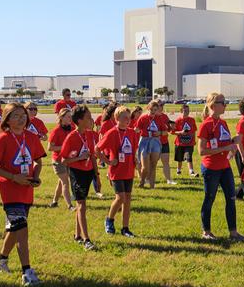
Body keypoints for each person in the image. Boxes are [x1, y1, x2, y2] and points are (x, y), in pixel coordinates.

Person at [0, 103, 45, 285]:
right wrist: (13, 177)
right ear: (7, 119)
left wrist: (35, 177)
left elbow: (38, 162)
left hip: (26, 191)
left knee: (14, 228)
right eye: (16, 115)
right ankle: (27, 271)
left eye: (23, 115)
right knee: (22, 231)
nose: (21, 119)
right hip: (10, 191)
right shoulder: (3, 139)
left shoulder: (32, 137)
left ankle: (1, 260)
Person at [197, 92, 244, 242]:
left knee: (231, 198)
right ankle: (206, 231)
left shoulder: (222, 123)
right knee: (209, 198)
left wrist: (233, 142)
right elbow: (201, 151)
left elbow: (223, 143)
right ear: (213, 106)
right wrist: (224, 149)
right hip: (211, 168)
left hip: (225, 167)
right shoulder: (206, 124)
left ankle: (233, 232)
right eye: (222, 102)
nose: (225, 105)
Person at [60, 106, 100, 251]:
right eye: (88, 117)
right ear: (80, 120)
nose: (91, 120)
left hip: (89, 172)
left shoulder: (90, 135)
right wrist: (78, 158)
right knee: (82, 205)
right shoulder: (71, 137)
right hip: (77, 173)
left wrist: (97, 176)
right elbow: (64, 160)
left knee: (81, 204)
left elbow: (93, 156)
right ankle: (86, 239)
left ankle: (77, 235)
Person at [98, 106, 140, 237]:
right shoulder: (111, 133)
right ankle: (109, 219)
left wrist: (136, 161)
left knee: (127, 199)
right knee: (120, 197)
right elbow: (97, 149)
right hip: (116, 172)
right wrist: (108, 161)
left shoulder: (132, 133)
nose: (128, 120)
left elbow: (133, 150)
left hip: (128, 170)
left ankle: (125, 228)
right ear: (117, 119)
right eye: (124, 118)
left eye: (129, 117)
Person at [136, 99, 170, 188]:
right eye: (151, 109)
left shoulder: (159, 118)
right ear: (148, 108)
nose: (153, 112)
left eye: (155, 110)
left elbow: (166, 132)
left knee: (153, 165)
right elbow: (137, 129)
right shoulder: (143, 118)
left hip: (155, 142)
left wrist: (160, 133)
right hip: (144, 141)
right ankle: (142, 181)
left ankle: (152, 186)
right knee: (145, 167)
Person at [48, 108, 76, 209]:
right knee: (65, 182)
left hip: (69, 160)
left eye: (71, 116)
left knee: (61, 182)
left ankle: (54, 202)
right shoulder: (56, 131)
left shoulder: (72, 128)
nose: (70, 118)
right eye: (68, 116)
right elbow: (50, 148)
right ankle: (70, 206)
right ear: (61, 117)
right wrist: (64, 147)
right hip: (58, 161)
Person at [172, 103, 197, 178]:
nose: (186, 112)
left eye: (188, 111)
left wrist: (194, 140)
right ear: (181, 111)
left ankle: (191, 171)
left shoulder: (192, 120)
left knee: (189, 157)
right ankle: (178, 170)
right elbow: (172, 132)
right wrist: (180, 132)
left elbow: (194, 131)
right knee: (180, 159)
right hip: (179, 143)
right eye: (185, 110)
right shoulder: (178, 121)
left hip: (189, 143)